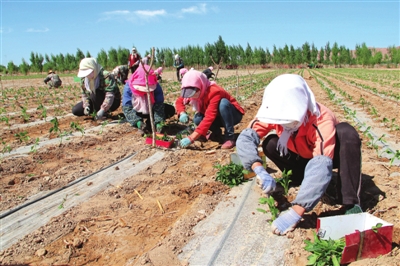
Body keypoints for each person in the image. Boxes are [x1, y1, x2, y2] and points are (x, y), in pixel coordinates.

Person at [236, 74, 363, 236]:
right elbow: (246, 138)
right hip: (301, 156)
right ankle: (300, 179)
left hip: (328, 157)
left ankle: (351, 202)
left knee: (347, 133)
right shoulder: (274, 109)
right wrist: (258, 168)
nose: (282, 121)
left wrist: (296, 212)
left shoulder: (320, 118)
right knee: (271, 143)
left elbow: (322, 162)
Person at [176, 69, 245, 149]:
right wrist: (182, 113)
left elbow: (209, 116)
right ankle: (216, 133)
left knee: (223, 104)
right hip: (218, 116)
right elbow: (179, 101)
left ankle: (229, 137)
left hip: (232, 115)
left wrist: (192, 138)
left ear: (200, 85)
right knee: (197, 119)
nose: (190, 96)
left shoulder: (214, 92)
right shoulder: (192, 90)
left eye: (192, 92)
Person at [122, 64, 175, 135]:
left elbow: (159, 105)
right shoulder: (128, 87)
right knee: (135, 118)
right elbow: (127, 108)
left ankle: (150, 124)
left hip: (151, 110)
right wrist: (137, 122)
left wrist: (158, 122)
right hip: (137, 111)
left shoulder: (156, 86)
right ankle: (141, 125)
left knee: (170, 109)